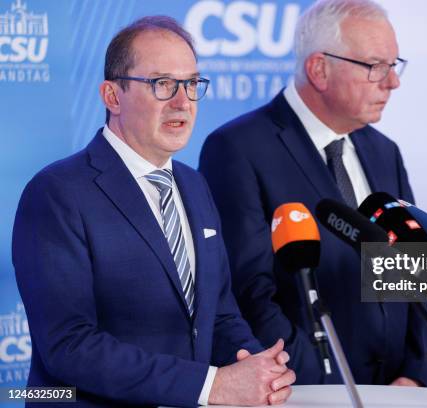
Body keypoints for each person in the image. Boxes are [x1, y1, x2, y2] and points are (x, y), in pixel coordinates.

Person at [12, 16, 294, 407]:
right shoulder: (57, 193)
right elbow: (69, 344)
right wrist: (211, 386)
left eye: (192, 84)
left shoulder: (195, 185)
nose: (183, 102)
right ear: (112, 96)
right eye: (163, 84)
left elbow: (220, 315)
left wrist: (258, 367)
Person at [199, 0, 427, 387]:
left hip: (397, 393)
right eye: (376, 66)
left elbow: (416, 270)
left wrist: (414, 373)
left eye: (394, 66)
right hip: (308, 391)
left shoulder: (384, 151)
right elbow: (249, 292)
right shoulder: (237, 148)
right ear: (319, 69)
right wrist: (323, 381)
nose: (392, 82)